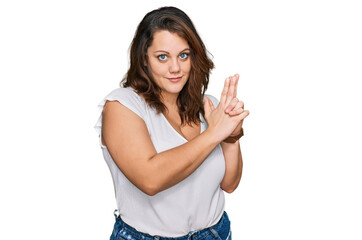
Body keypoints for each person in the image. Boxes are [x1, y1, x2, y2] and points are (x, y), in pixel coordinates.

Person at [94, 6, 249, 240]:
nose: (175, 68)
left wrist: (232, 136)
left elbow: (229, 183)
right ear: (144, 59)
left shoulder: (208, 107)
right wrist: (216, 133)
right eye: (162, 57)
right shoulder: (122, 105)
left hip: (215, 233)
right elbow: (150, 179)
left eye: (183, 55)